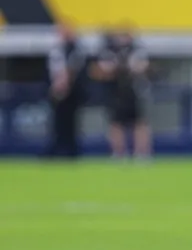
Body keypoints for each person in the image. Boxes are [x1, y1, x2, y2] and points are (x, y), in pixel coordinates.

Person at [93, 28, 152, 159]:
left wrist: (131, 68)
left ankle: (141, 153)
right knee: (116, 123)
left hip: (135, 92)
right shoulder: (110, 51)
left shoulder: (137, 50)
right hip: (116, 93)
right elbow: (101, 70)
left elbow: (143, 67)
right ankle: (118, 153)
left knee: (139, 122)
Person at [46, 25, 87, 158]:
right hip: (57, 91)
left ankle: (71, 150)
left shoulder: (76, 50)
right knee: (57, 122)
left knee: (71, 123)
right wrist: (56, 86)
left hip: (72, 92)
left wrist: (65, 84)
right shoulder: (57, 50)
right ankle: (57, 148)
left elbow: (74, 68)